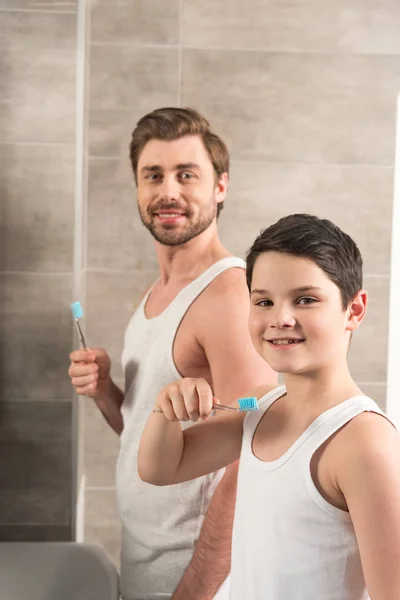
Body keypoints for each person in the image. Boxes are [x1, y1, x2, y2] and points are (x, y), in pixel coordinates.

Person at [68, 107, 276, 600]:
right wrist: (104, 393)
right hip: (146, 566)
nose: (168, 192)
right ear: (137, 188)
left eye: (187, 175)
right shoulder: (156, 294)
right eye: (153, 175)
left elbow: (249, 456)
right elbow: (154, 434)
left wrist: (195, 591)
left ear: (220, 187)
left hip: (194, 579)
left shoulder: (227, 295)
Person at [139, 213, 400, 600]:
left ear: (354, 310)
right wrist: (166, 408)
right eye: (264, 301)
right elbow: (159, 469)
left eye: (306, 299)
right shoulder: (262, 406)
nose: (280, 318)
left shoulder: (363, 441)